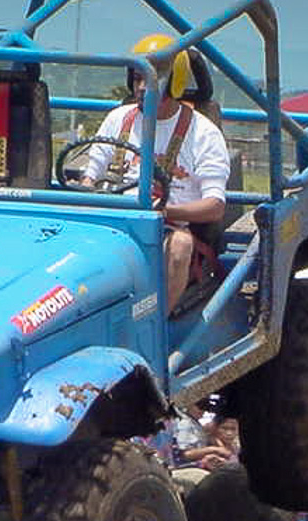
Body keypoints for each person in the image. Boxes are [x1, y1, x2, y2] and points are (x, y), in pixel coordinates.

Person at [80, 34, 230, 314]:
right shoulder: (118, 119)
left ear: (175, 82)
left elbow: (215, 206)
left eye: (150, 80)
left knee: (181, 245)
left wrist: (166, 211)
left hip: (168, 228)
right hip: (115, 221)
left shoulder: (203, 133)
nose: (141, 88)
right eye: (137, 78)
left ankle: (156, 324)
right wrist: (87, 191)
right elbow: (90, 177)